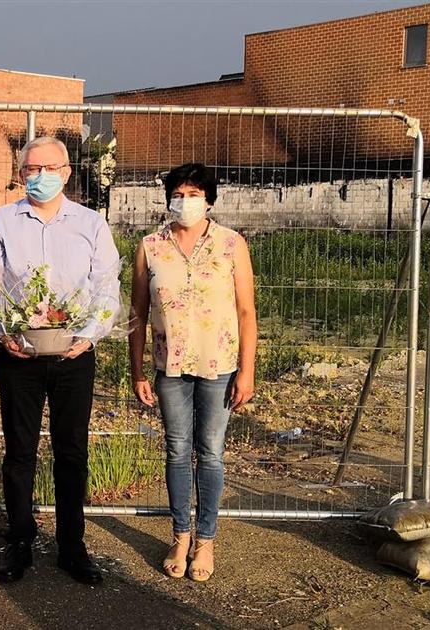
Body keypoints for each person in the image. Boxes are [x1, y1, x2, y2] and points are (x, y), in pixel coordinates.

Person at [0, 136, 121, 585]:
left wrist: (89, 335)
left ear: (67, 172)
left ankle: (72, 546)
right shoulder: (2, 221)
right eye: (31, 169)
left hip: (74, 357)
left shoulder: (91, 224)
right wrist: (2, 330)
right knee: (19, 451)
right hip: (19, 355)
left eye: (49, 168)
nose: (40, 176)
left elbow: (106, 286)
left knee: (71, 452)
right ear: (21, 175)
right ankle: (19, 541)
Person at [128, 162, 257, 582]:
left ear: (209, 200)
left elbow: (246, 312)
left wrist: (247, 371)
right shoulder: (150, 246)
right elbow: (138, 312)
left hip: (219, 365)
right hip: (170, 366)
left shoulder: (231, 244)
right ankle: (180, 536)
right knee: (177, 450)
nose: (185, 202)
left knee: (212, 452)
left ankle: (206, 540)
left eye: (194, 195)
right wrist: (137, 371)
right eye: (178, 194)